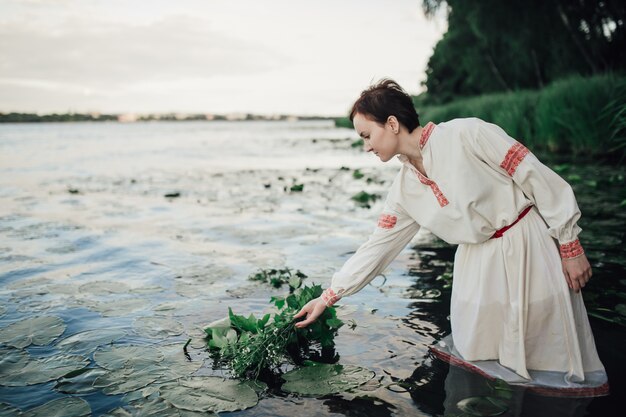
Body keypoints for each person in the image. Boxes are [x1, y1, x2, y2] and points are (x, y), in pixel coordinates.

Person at [293, 79, 608, 394]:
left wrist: (570, 246)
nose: (366, 146)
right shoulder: (404, 190)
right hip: (475, 264)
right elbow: (377, 248)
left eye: (367, 135)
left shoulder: (467, 134)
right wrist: (328, 296)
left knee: (543, 349)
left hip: (525, 244)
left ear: (391, 124)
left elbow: (535, 176)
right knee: (480, 357)